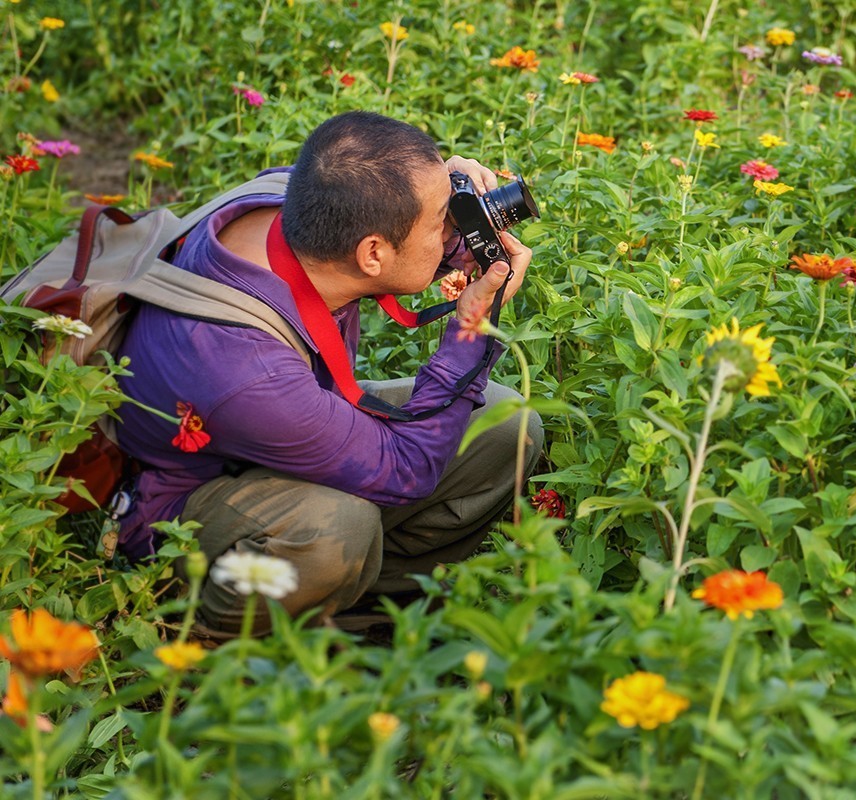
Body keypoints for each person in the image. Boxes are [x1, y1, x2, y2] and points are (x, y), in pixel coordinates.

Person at [113, 111, 541, 640]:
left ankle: (371, 611)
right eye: (442, 220)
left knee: (504, 424)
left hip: (270, 434)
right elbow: (409, 470)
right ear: (373, 253)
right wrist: (471, 325)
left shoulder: (299, 200)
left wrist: (447, 208)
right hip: (182, 510)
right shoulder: (250, 372)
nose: (449, 225)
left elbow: (392, 232)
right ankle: (225, 638)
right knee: (335, 527)